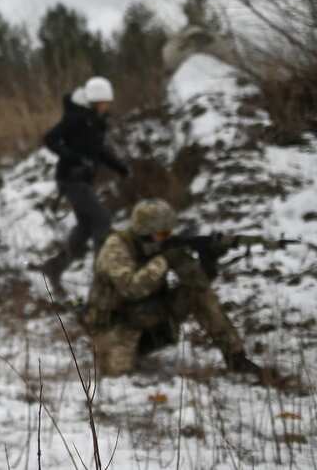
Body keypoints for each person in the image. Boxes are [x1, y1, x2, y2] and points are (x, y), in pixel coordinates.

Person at [86, 198, 262, 378]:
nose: (167, 237)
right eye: (163, 234)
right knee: (116, 373)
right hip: (115, 325)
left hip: (150, 317)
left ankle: (236, 357)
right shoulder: (116, 247)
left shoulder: (163, 247)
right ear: (145, 231)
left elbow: (198, 283)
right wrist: (164, 260)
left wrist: (207, 263)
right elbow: (131, 288)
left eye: (169, 233)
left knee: (198, 294)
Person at [38, 76, 130, 296]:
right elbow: (50, 139)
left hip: (84, 180)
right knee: (102, 220)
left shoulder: (97, 121)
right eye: (104, 102)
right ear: (95, 101)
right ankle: (103, 279)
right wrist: (74, 158)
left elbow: (98, 150)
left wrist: (120, 167)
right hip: (71, 178)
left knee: (85, 228)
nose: (107, 106)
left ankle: (54, 268)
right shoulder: (76, 118)